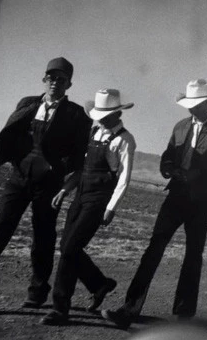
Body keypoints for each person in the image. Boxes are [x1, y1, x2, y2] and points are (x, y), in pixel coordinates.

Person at [102, 79, 207, 328]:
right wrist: (166, 167)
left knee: (192, 256)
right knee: (153, 250)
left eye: (197, 104)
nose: (191, 109)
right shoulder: (180, 127)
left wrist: (202, 174)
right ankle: (128, 310)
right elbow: (168, 155)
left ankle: (183, 318)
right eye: (190, 104)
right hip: (175, 197)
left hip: (202, 202)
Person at [0, 57, 91, 311]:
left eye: (61, 79)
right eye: (51, 77)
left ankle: (37, 291)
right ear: (44, 79)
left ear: (69, 84)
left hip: (48, 186)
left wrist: (62, 180)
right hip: (18, 180)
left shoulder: (77, 115)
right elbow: (11, 132)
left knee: (43, 238)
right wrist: (12, 159)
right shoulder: (28, 104)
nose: (55, 82)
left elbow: (79, 158)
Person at [40, 89, 136, 325]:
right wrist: (66, 189)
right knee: (66, 246)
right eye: (99, 114)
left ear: (117, 113)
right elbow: (83, 168)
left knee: (71, 247)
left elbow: (124, 177)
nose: (101, 118)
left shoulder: (124, 140)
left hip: (99, 200)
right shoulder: (94, 133)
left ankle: (60, 308)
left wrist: (111, 208)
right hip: (81, 194)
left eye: (106, 114)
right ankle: (99, 284)